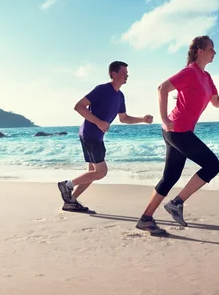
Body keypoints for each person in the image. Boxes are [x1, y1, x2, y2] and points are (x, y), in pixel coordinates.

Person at [136, 36, 219, 235]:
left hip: (179, 132)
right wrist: (164, 118)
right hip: (177, 130)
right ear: (199, 51)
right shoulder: (189, 72)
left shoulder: (206, 77)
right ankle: (176, 203)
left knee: (170, 177)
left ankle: (146, 218)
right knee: (212, 165)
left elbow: (217, 102)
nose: (215, 52)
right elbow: (162, 88)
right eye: (211, 48)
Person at [57, 61, 153, 212]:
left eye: (127, 73)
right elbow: (79, 106)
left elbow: (124, 118)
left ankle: (71, 201)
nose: (126, 75)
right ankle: (67, 185)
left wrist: (142, 119)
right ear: (113, 74)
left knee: (92, 173)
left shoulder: (120, 96)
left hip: (96, 137)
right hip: (89, 134)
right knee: (101, 172)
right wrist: (98, 121)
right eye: (123, 72)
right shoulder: (101, 89)